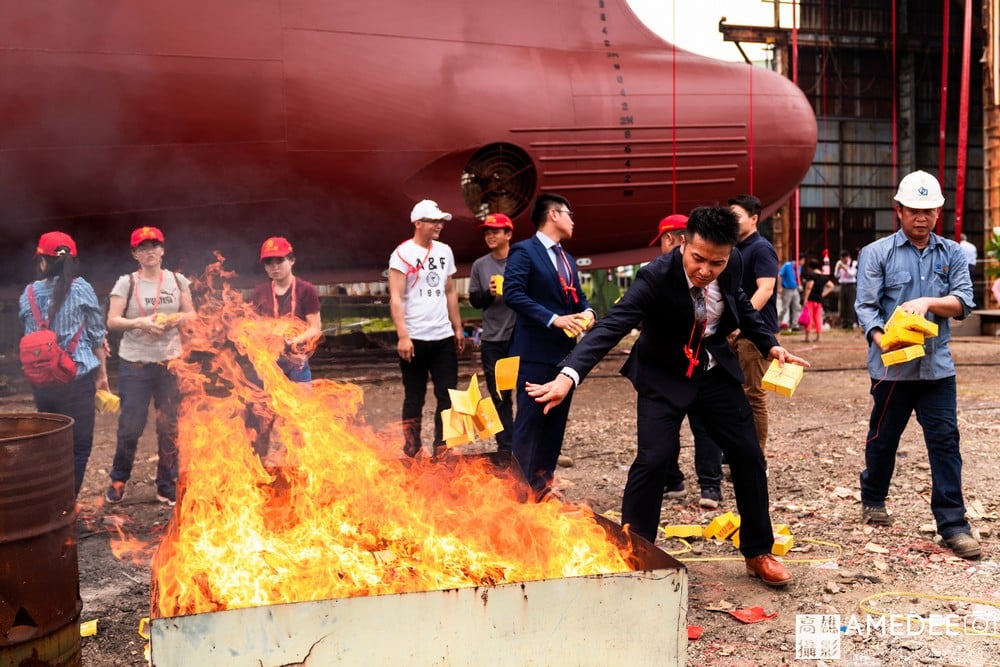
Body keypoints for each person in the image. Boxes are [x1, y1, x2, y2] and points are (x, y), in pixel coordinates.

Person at [526, 206, 809, 586]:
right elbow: (611, 325)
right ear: (681, 245)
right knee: (653, 460)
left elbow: (740, 304)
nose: (706, 270)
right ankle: (633, 551)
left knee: (748, 455)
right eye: (698, 259)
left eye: (716, 262)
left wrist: (770, 345)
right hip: (662, 375)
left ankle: (758, 550)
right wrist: (568, 376)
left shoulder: (735, 261)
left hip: (711, 371)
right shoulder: (655, 277)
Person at [855, 169, 980, 559]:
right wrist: (884, 340)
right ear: (899, 210)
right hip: (892, 369)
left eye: (928, 210)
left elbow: (963, 301)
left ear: (938, 212)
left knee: (945, 441)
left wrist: (927, 303)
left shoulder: (953, 253)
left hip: (937, 368)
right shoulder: (876, 253)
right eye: (913, 210)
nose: (921, 217)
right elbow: (867, 307)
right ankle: (873, 496)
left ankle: (953, 524)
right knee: (884, 438)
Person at [503, 193, 595, 498]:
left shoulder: (567, 259)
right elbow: (513, 293)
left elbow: (578, 297)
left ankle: (542, 488)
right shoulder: (524, 251)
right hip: (534, 353)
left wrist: (589, 312)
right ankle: (519, 492)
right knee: (529, 423)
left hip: (564, 356)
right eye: (569, 214)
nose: (573, 220)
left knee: (554, 424)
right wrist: (553, 319)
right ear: (553, 215)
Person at [104, 227, 194, 506]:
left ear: (163, 250)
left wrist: (174, 319)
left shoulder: (178, 281)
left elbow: (191, 314)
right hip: (136, 364)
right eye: (142, 248)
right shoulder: (126, 283)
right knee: (131, 425)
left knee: (170, 426)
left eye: (154, 246)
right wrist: (140, 323)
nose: (150, 251)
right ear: (135, 254)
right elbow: (113, 320)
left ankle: (166, 485)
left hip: (170, 362)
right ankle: (118, 480)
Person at [19, 232, 109, 497]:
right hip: (75, 381)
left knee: (53, 443)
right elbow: (96, 336)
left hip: (42, 383)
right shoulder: (82, 288)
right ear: (73, 259)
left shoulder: (29, 293)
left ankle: (50, 500)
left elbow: (30, 337)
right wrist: (102, 376)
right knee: (78, 447)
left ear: (43, 261)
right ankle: (64, 505)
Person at [651, 214, 725, 509]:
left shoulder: (713, 273)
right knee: (674, 425)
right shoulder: (657, 274)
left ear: (671, 239)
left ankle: (703, 484)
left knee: (700, 424)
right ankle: (693, 483)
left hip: (699, 362)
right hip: (670, 364)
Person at [388, 199, 465, 458]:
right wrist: (403, 335)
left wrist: (458, 328)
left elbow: (450, 290)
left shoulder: (445, 251)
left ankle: (443, 447)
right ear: (418, 223)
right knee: (414, 397)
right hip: (415, 338)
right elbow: (396, 297)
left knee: (448, 394)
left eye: (440, 221)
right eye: (433, 221)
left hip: (442, 336)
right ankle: (412, 447)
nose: (439, 225)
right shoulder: (402, 254)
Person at [728, 194, 779, 457]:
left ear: (754, 219)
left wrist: (740, 323)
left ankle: (756, 458)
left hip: (754, 334)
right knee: (733, 394)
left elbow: (766, 289)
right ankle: (737, 451)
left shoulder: (761, 248)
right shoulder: (736, 248)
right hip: (735, 331)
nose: (733, 222)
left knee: (754, 395)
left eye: (737, 217)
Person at [468, 213, 517, 452]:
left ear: (508, 234)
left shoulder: (521, 261)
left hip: (518, 338)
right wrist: (489, 292)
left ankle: (525, 443)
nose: (490, 236)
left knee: (528, 392)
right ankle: (506, 447)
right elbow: (475, 300)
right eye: (487, 232)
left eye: (495, 231)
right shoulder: (480, 265)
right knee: (500, 396)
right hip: (493, 340)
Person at [250, 237, 323, 382]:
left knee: (302, 403)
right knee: (264, 403)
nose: (274, 267)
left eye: (279, 261)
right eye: (269, 262)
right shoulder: (260, 292)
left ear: (291, 260)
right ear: (264, 267)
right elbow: (253, 326)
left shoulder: (306, 290)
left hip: (297, 360)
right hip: (268, 361)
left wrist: (294, 341)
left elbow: (315, 328)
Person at [801, 259, 834, 343]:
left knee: (809, 318)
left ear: (810, 267)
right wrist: (823, 294)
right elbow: (831, 286)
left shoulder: (811, 275)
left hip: (811, 299)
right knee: (817, 318)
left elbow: (809, 287)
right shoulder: (823, 277)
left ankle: (807, 337)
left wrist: (805, 298)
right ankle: (818, 336)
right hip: (819, 300)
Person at [777, 255, 805, 331]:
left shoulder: (799, 267)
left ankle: (794, 325)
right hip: (787, 289)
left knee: (797, 306)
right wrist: (779, 287)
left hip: (795, 289)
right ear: (799, 260)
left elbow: (797, 277)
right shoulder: (787, 265)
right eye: (803, 260)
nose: (803, 262)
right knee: (785, 308)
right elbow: (780, 275)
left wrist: (799, 284)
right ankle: (778, 324)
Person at [834, 249, 858, 329]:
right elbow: (836, 275)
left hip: (851, 285)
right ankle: (844, 322)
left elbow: (853, 274)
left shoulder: (853, 263)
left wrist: (845, 268)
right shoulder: (839, 263)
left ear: (847, 257)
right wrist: (838, 268)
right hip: (842, 285)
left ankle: (851, 322)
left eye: (844, 259)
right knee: (842, 304)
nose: (843, 260)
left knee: (851, 304)